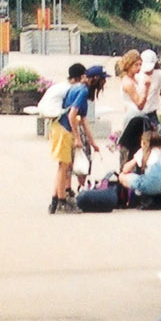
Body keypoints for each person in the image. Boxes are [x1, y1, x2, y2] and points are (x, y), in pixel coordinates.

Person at [49, 64, 105, 213]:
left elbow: (84, 120)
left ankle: (55, 201)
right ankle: (61, 202)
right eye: (102, 80)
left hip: (61, 128)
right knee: (64, 166)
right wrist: (78, 138)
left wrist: (93, 143)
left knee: (63, 166)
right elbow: (72, 115)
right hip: (64, 129)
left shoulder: (80, 89)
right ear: (95, 79)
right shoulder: (83, 91)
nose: (103, 84)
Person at [119, 125, 161, 204]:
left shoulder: (144, 151)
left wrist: (135, 160)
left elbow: (125, 169)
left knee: (122, 176)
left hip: (150, 187)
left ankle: (141, 197)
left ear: (144, 143)